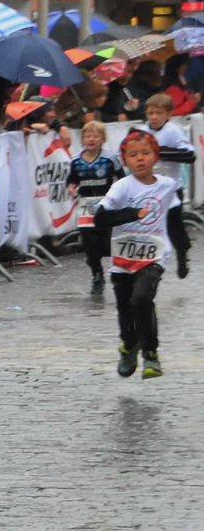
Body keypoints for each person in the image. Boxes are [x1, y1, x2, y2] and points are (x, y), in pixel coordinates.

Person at [95, 129, 185, 381]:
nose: (140, 159)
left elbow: (176, 223)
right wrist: (133, 214)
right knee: (125, 309)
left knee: (141, 299)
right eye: (133, 155)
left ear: (155, 156)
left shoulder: (168, 186)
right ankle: (129, 346)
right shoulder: (121, 187)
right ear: (125, 159)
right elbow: (100, 218)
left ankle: (151, 354)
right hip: (123, 259)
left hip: (154, 256)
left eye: (145, 153)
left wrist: (183, 255)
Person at [69, 120, 122, 294]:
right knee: (89, 243)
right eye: (88, 136)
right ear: (82, 139)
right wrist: (71, 187)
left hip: (105, 204)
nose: (91, 139)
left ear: (103, 139)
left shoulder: (110, 159)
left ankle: (115, 267)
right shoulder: (76, 161)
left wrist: (119, 196)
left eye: (95, 136)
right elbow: (72, 179)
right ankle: (97, 273)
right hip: (85, 206)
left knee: (106, 244)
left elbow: (121, 178)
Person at [140, 92, 196, 183]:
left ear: (169, 114)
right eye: (150, 113)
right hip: (148, 185)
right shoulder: (142, 131)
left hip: (170, 185)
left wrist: (158, 152)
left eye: (159, 113)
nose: (154, 117)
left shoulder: (172, 130)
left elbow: (190, 155)